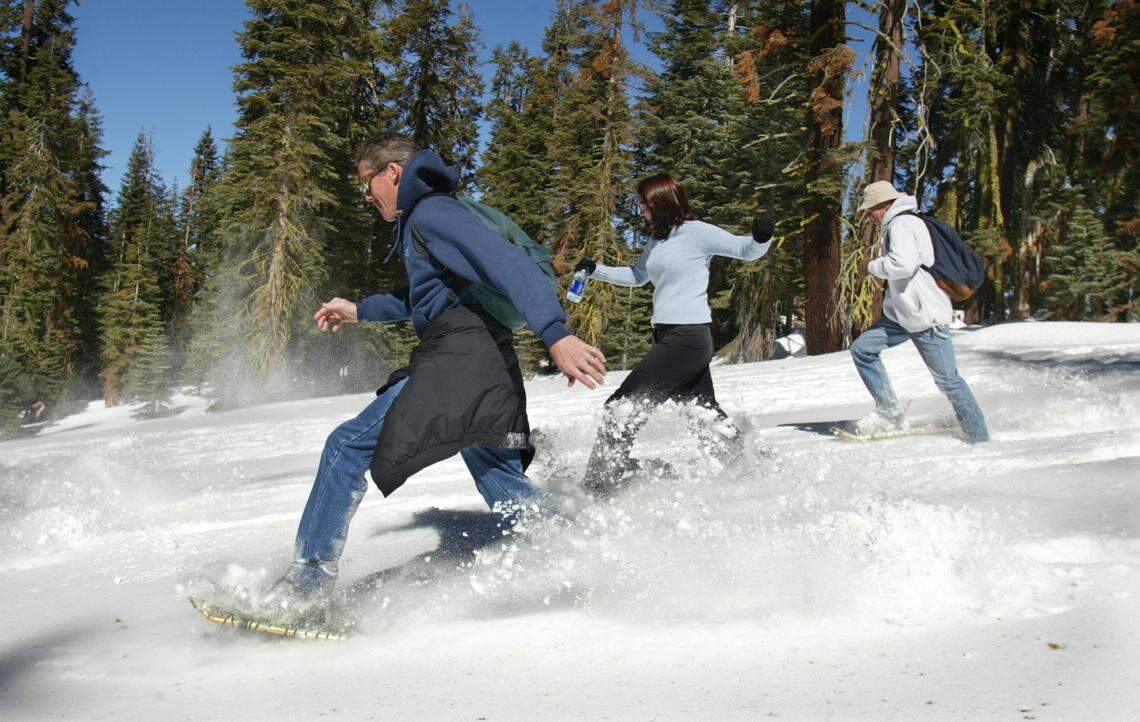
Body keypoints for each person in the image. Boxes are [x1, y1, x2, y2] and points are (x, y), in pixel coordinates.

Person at [264, 132, 607, 623]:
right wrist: (359, 310)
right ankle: (586, 557)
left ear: (393, 173)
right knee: (497, 472)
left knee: (346, 447)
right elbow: (422, 301)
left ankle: (306, 588)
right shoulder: (425, 219)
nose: (366, 196)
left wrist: (556, 334)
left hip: (459, 359)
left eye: (367, 183)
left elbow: (508, 264)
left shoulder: (433, 213)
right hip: (486, 358)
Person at [573, 174, 775, 494]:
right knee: (702, 414)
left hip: (688, 338)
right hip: (669, 337)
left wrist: (762, 237)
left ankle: (596, 491)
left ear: (662, 202)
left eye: (644, 205)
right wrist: (596, 269)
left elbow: (745, 249)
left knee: (620, 409)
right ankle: (752, 470)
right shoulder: (657, 240)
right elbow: (638, 276)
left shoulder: (696, 233)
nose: (641, 211)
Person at [850, 180, 989, 443]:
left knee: (949, 381)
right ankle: (889, 413)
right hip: (901, 315)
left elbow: (903, 265)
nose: (869, 216)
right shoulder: (899, 223)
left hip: (925, 317)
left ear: (884, 205)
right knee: (863, 350)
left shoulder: (903, 224)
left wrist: (871, 266)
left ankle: (978, 436)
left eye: (870, 210)